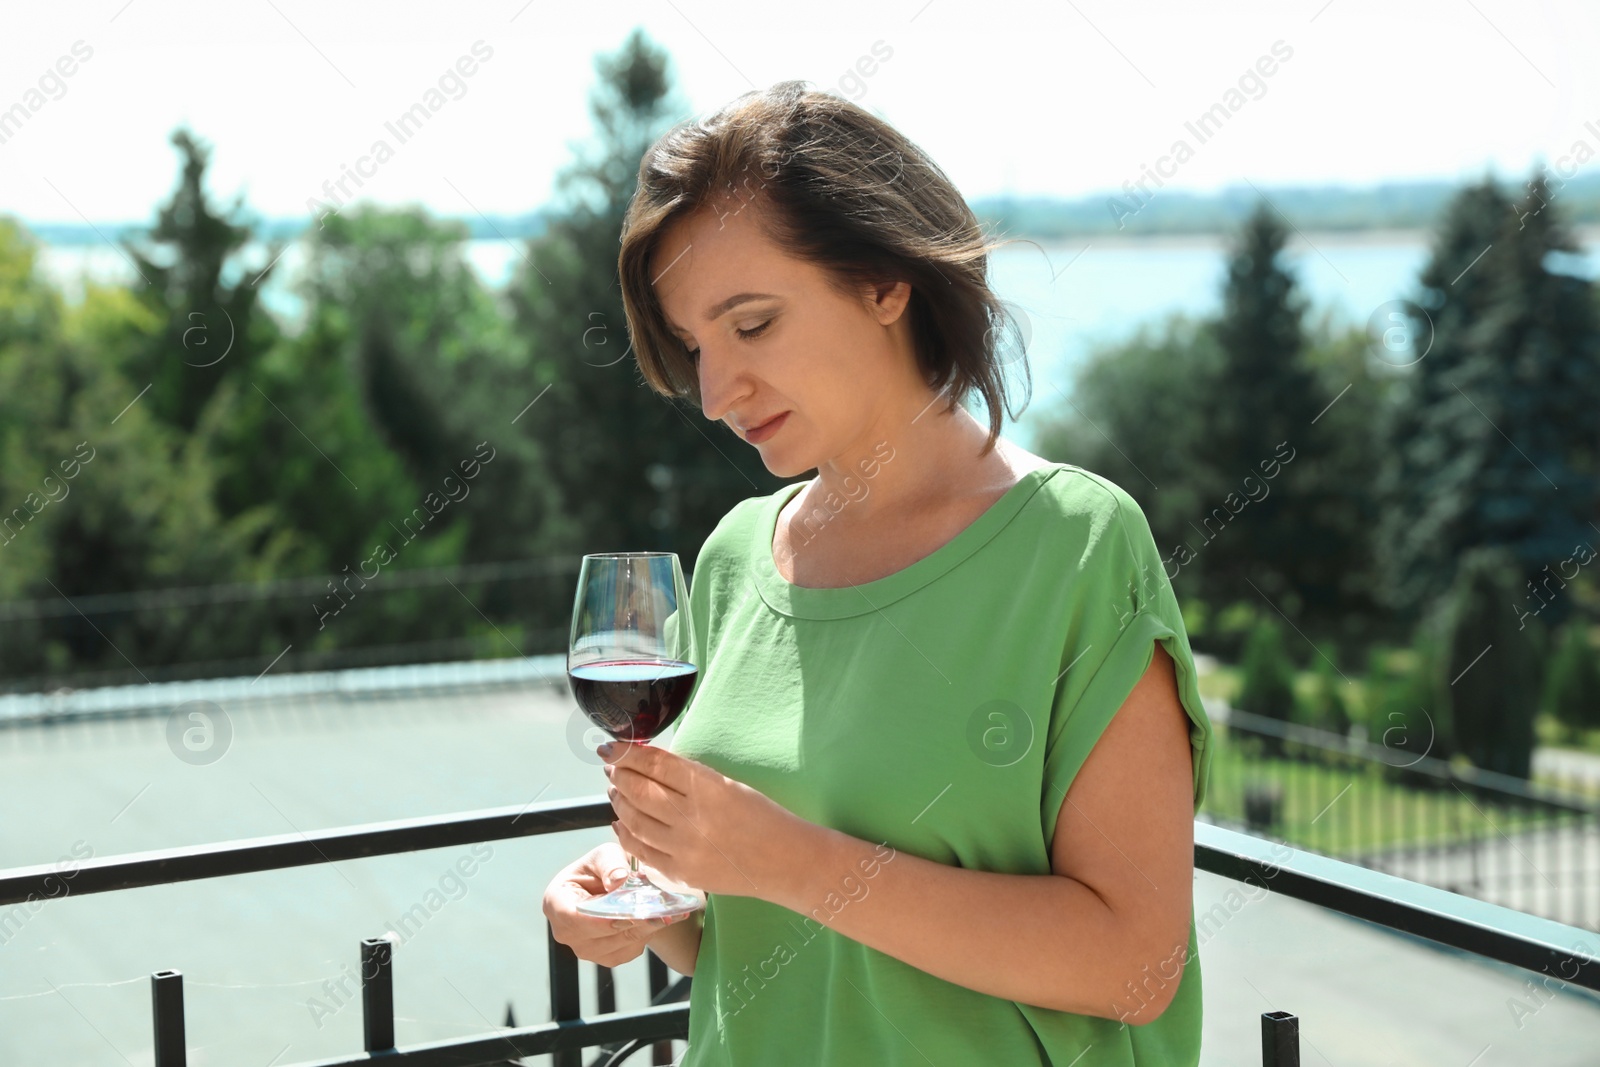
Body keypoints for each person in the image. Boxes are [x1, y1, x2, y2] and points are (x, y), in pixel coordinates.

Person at [543, 79, 1214, 1066]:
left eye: (753, 323)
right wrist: (638, 892)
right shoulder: (735, 556)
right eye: (695, 346)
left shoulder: (1073, 546)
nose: (717, 392)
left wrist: (789, 858)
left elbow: (1133, 962)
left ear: (883, 282)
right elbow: (747, 930)